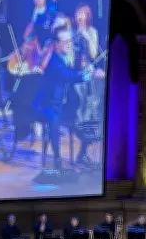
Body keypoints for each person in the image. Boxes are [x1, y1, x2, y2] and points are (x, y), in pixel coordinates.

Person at [35, 27, 105, 172]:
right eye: (65, 41)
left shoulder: (67, 56)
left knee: (86, 120)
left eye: (70, 41)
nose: (69, 44)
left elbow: (75, 68)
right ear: (56, 44)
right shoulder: (54, 61)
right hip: (49, 104)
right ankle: (57, 159)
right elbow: (68, 76)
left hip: (64, 103)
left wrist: (88, 68)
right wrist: (88, 74)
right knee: (54, 119)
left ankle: (82, 154)